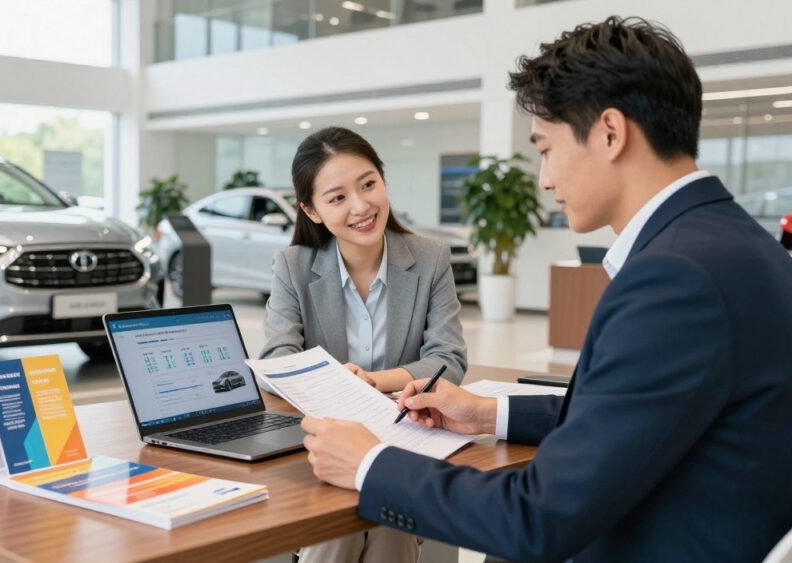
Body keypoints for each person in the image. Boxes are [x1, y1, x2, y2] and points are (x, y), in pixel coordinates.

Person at [299, 16, 792, 562]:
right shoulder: (737, 246)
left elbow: (537, 519)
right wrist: (489, 414)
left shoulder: (675, 280)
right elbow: (635, 416)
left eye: (546, 148)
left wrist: (368, 464)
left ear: (610, 132)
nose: (544, 178)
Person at [261, 126, 468, 562]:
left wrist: (370, 381)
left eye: (368, 184)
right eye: (336, 198)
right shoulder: (292, 266)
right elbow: (278, 358)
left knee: (390, 523)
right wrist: (332, 384)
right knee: (338, 530)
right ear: (312, 211)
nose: (360, 206)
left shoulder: (430, 259)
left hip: (405, 440)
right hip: (323, 445)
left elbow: (447, 358)